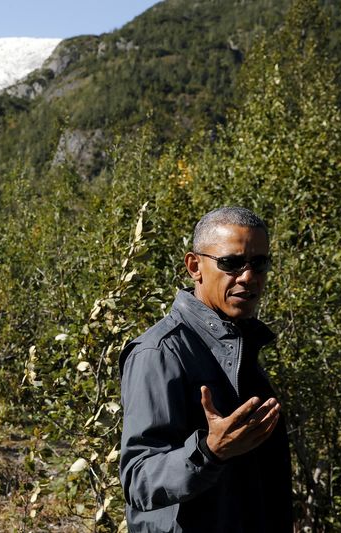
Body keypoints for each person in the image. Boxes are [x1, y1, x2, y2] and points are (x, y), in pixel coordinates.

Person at [119, 207, 292, 532]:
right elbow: (137, 479)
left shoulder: (242, 343)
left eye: (260, 263)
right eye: (231, 263)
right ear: (194, 266)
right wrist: (209, 451)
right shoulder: (159, 351)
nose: (248, 276)